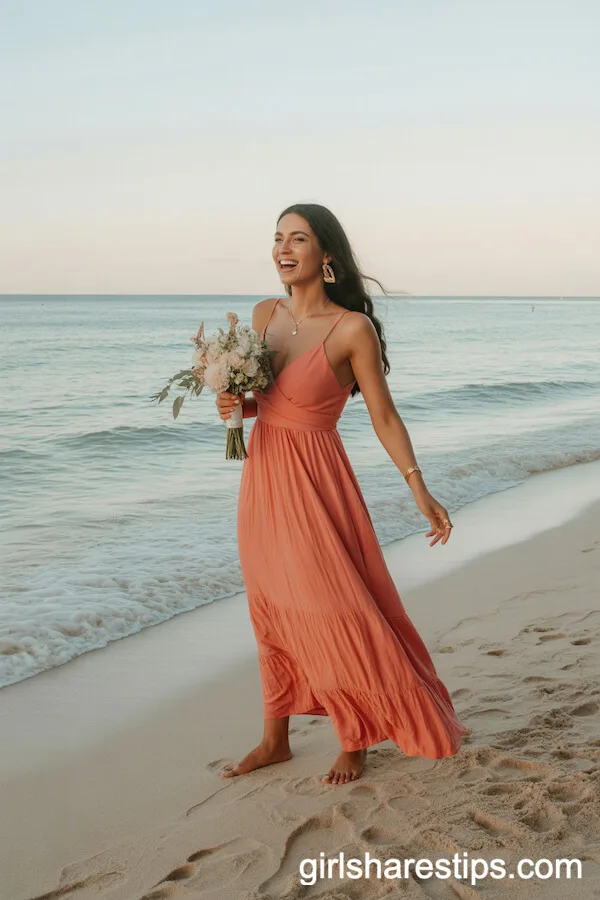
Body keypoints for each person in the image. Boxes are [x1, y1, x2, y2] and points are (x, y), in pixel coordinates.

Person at [215, 203, 469, 785]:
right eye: (278, 238)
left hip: (315, 480)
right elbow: (262, 401)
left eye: (297, 239)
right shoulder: (261, 315)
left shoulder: (352, 328)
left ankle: (354, 735)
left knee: (334, 605)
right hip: (264, 478)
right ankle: (274, 739)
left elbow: (382, 415)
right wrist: (233, 405)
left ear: (325, 254)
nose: (283, 248)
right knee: (271, 606)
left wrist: (419, 488)